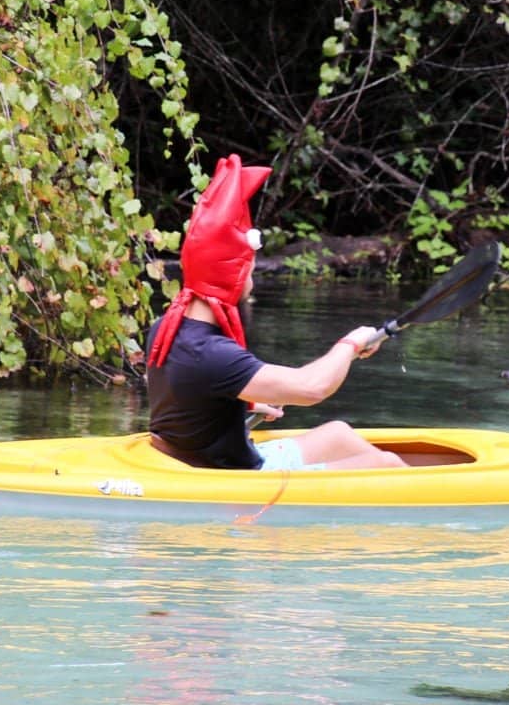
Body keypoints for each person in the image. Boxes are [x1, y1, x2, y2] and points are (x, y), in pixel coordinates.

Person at [144, 155, 406, 471]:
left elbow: (187, 393)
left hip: (203, 457)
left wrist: (245, 398)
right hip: (235, 477)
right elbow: (312, 388)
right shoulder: (212, 353)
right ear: (232, 276)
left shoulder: (166, 328)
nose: (251, 281)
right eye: (250, 272)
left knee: (339, 435)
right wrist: (350, 344)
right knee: (386, 464)